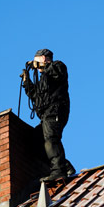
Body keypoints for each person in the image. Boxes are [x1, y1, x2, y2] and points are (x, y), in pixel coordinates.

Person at [21, 49, 75, 182]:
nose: (35, 65)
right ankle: (65, 166)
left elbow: (55, 72)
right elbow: (36, 97)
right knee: (36, 141)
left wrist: (40, 66)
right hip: (46, 115)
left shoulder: (58, 66)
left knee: (51, 138)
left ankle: (58, 171)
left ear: (44, 58)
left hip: (56, 110)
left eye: (36, 61)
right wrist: (27, 82)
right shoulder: (43, 80)